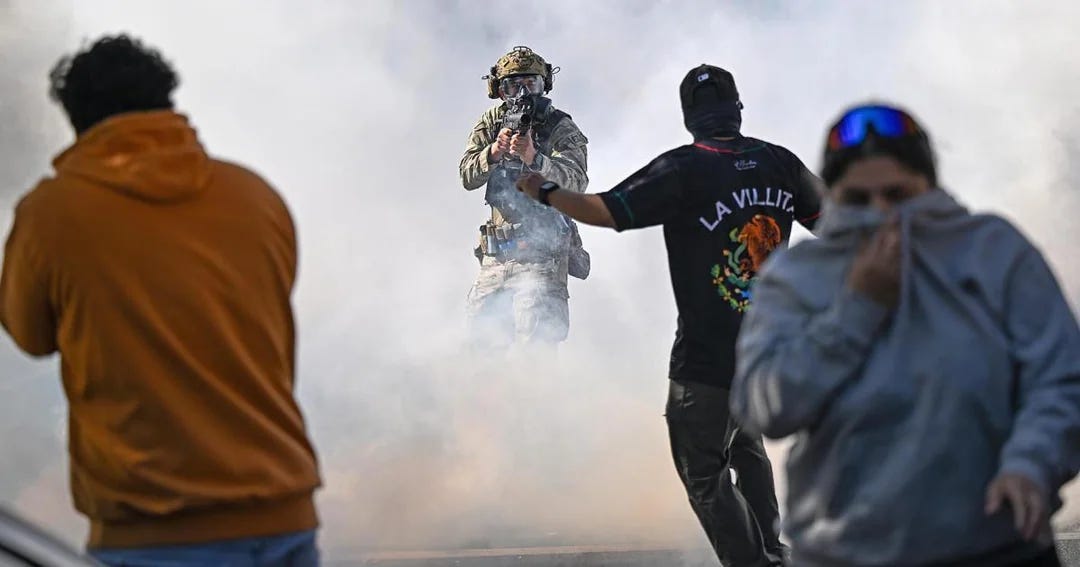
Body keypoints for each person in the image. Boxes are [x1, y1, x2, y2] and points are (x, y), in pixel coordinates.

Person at [0, 35, 322, 566]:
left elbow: (30, 335)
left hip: (152, 531)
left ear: (77, 120)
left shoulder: (51, 214)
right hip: (284, 517)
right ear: (167, 103)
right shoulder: (254, 196)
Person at [731, 103, 1080, 566]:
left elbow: (1060, 377)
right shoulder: (796, 276)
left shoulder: (992, 252)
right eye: (858, 200)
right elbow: (763, 405)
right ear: (832, 197)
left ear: (929, 185)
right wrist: (858, 307)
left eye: (898, 194)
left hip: (999, 546)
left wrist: (1032, 464)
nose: (881, 214)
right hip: (846, 553)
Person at [516, 64, 823, 567]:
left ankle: (754, 560)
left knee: (705, 473)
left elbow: (608, 210)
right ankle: (773, 548)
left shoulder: (685, 168)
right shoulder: (780, 164)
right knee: (745, 441)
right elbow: (840, 227)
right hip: (769, 351)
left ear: (689, 119)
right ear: (738, 109)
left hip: (705, 361)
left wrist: (544, 190)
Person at [459, 46, 590, 351]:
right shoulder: (491, 123)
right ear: (499, 90)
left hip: (543, 255)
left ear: (544, 84)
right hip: (497, 256)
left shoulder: (559, 126)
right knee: (481, 345)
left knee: (536, 348)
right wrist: (492, 153)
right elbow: (467, 176)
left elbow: (577, 182)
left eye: (530, 83)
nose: (522, 92)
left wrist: (534, 157)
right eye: (512, 85)